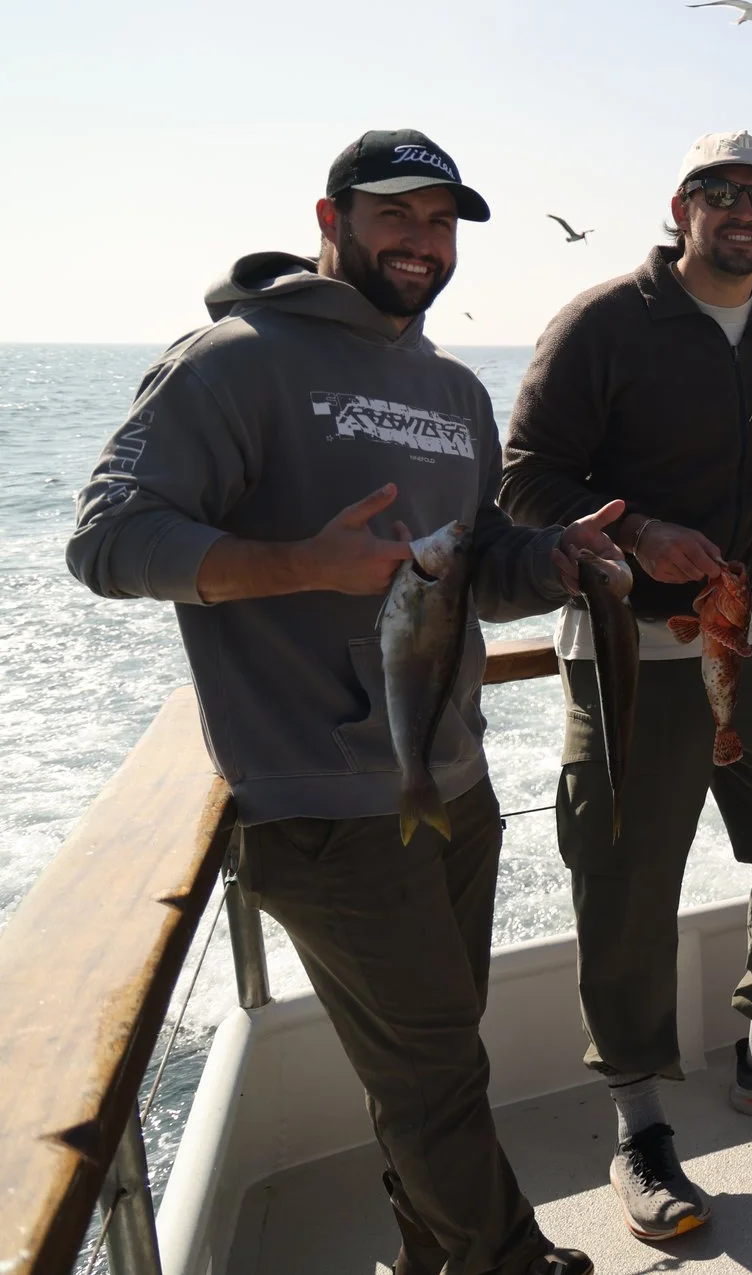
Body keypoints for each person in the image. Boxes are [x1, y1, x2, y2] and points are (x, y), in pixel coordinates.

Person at [67, 132, 616, 1275]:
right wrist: (298, 564)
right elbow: (107, 538)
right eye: (395, 216)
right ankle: (503, 1262)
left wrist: (553, 555)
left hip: (447, 775)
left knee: (436, 1055)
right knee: (432, 1072)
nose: (420, 242)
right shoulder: (232, 361)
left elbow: (476, 562)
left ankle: (432, 1252)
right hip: (318, 802)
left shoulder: (453, 389)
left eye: (440, 221)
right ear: (332, 217)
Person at [499, 131, 752, 1242]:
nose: (745, 211)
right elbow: (523, 480)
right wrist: (641, 531)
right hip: (627, 654)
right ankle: (638, 1120)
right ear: (682, 205)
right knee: (626, 883)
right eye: (723, 194)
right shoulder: (603, 321)